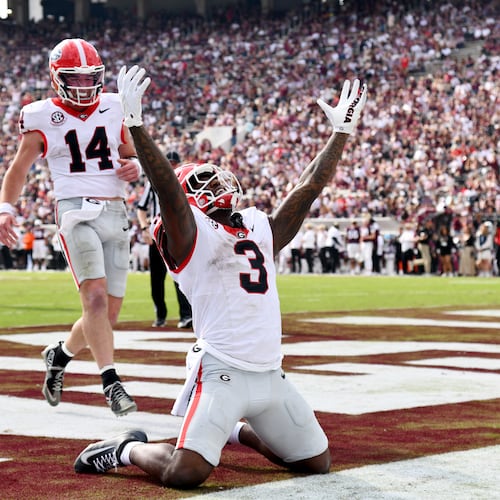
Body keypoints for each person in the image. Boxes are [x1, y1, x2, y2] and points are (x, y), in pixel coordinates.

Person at [74, 66, 367, 488]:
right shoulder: (189, 232)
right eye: (202, 180)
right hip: (221, 372)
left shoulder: (254, 227)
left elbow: (307, 188)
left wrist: (340, 134)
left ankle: (232, 430)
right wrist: (136, 127)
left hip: (270, 374)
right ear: (190, 198)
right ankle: (125, 450)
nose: (215, 180)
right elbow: (170, 194)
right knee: (185, 474)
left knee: (314, 462)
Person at [0, 39, 139, 416]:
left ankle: (58, 355)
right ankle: (111, 383)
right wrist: (5, 209)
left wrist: (135, 166)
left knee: (107, 316)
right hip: (74, 210)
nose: (81, 85)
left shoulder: (114, 105)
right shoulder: (41, 115)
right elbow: (19, 168)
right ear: (56, 78)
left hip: (116, 212)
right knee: (93, 299)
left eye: (88, 78)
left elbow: (129, 153)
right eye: (73, 78)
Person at [136, 151, 193, 328]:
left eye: (174, 163)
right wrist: (145, 228)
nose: (172, 166)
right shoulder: (153, 183)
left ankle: (186, 315)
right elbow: (141, 209)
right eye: (169, 163)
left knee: (181, 276)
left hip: (177, 235)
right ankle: (160, 315)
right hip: (157, 234)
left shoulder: (185, 183)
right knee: (157, 279)